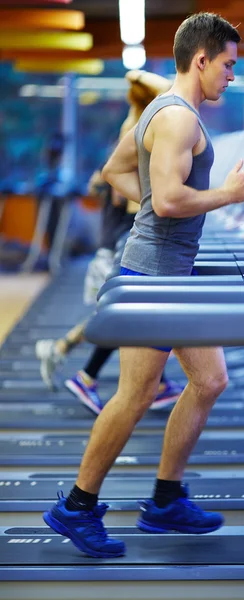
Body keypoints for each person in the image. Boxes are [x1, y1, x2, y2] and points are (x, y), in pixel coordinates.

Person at [43, 12, 244, 558]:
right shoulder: (180, 119)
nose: (232, 75)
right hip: (156, 275)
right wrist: (225, 197)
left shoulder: (158, 112)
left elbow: (113, 171)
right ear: (200, 59)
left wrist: (157, 213)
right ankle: (79, 505)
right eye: (228, 65)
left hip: (164, 270)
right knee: (135, 395)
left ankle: (165, 499)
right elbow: (167, 199)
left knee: (209, 380)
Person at [36, 70, 182, 414]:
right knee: (123, 311)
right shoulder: (141, 128)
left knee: (131, 311)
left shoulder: (139, 126)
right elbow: (125, 195)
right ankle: (81, 370)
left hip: (123, 233)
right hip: (123, 235)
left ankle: (150, 383)